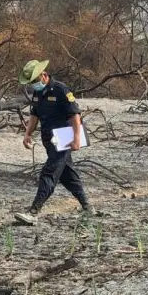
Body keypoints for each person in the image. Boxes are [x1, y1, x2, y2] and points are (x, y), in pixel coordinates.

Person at [13, 59, 91, 225]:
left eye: (34, 81)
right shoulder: (37, 94)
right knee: (67, 174)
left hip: (64, 138)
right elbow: (35, 115)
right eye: (30, 83)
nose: (33, 85)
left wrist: (76, 138)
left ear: (44, 75)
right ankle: (88, 207)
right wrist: (28, 133)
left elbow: (75, 115)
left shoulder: (61, 90)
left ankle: (33, 211)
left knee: (49, 173)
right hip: (49, 139)